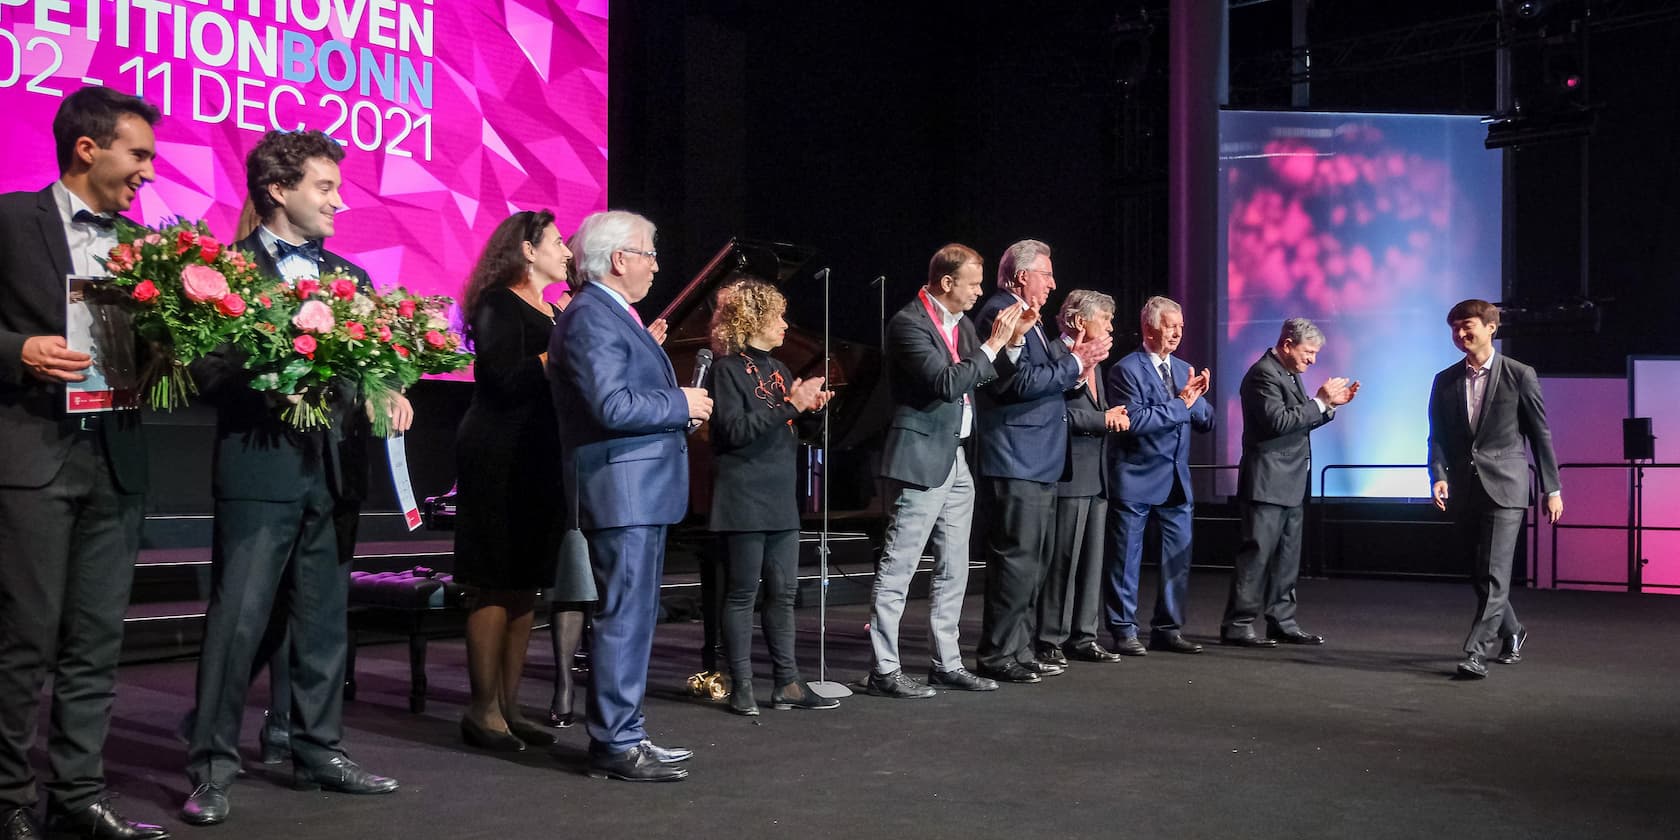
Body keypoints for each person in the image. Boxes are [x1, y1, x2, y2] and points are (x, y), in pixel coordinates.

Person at [181, 130, 409, 825]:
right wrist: (273, 370)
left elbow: (371, 370)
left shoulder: (353, 278)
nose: (339, 201)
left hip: (334, 474)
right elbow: (201, 375)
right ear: (279, 190)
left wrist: (390, 390)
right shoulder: (230, 273)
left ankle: (318, 749)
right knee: (240, 622)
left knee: (322, 622)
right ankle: (211, 768)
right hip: (260, 469)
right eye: (326, 187)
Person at [0, 86, 168, 840]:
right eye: (139, 154)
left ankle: (76, 797)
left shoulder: (149, 245)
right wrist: (18, 351)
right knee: (23, 640)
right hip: (32, 456)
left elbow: (154, 355)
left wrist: (172, 350)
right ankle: (7, 802)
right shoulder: (10, 219)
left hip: (116, 458)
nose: (149, 173)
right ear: (87, 148)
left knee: (97, 641)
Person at [548, 210, 710, 782]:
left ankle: (628, 733)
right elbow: (611, 406)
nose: (655, 264)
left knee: (634, 615)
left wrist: (674, 416)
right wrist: (680, 405)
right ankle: (616, 743)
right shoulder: (593, 316)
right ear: (620, 260)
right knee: (623, 616)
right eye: (648, 253)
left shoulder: (614, 314)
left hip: (638, 488)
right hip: (622, 490)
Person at [866, 244, 1026, 699]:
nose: (980, 292)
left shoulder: (961, 326)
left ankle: (947, 663)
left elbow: (987, 380)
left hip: (957, 458)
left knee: (955, 568)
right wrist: (994, 343)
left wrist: (1011, 345)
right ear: (946, 282)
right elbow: (946, 382)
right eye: (973, 283)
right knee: (900, 566)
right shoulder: (908, 324)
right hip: (920, 457)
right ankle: (884, 667)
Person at [452, 210, 579, 750]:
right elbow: (500, 378)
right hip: (498, 451)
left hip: (539, 454)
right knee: (494, 576)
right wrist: (557, 353)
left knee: (526, 581)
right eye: (556, 242)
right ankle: (482, 711)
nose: (567, 252)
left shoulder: (551, 310)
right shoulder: (498, 302)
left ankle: (510, 705)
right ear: (527, 250)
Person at [972, 240, 1109, 684]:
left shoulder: (1027, 318)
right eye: (1046, 274)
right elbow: (1014, 385)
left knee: (1033, 564)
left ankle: (1021, 648)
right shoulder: (1001, 312)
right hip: (1015, 457)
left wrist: (1076, 359)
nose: (1053, 284)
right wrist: (1074, 361)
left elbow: (1051, 376)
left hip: (1039, 460)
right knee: (1015, 562)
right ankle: (997, 655)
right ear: (1019, 275)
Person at [705, 279, 838, 715]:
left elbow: (787, 430)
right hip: (743, 495)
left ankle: (788, 683)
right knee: (743, 593)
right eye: (777, 316)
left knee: (783, 593)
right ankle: (742, 685)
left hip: (781, 495)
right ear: (752, 320)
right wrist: (793, 406)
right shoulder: (726, 370)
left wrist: (811, 410)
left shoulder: (778, 368)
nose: (784, 324)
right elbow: (735, 432)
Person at [1427, 299, 1562, 679]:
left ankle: (1474, 653)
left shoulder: (1520, 374)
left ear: (1491, 328)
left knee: (1494, 573)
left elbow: (1539, 434)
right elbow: (1436, 437)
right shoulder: (1445, 379)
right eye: (1454, 328)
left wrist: (1553, 487)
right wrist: (1438, 475)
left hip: (1507, 487)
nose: (1460, 334)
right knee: (1479, 574)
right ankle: (1514, 631)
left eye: (1467, 325)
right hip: (1465, 489)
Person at [1219, 318, 1357, 648]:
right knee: (1257, 554)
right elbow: (1278, 422)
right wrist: (1320, 402)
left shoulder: (1288, 373)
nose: (1312, 360)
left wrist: (1328, 408)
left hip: (1291, 482)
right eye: (1308, 352)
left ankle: (1282, 619)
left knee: (1287, 557)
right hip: (1267, 482)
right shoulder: (1263, 374)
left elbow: (1297, 423)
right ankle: (1238, 623)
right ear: (1287, 346)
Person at [1104, 295, 1215, 656]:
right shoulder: (1126, 370)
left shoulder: (1183, 368)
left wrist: (1195, 400)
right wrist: (1181, 403)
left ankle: (1168, 628)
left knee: (1177, 560)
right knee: (1126, 560)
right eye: (1171, 325)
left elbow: (1207, 421)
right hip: (1136, 478)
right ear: (1149, 327)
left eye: (1181, 326)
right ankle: (1123, 629)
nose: (1178, 333)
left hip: (1176, 482)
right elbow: (1135, 422)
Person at [1036, 291, 1129, 667]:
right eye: (1104, 320)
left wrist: (1110, 414)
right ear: (1078, 321)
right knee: (1062, 561)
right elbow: (1054, 415)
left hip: (1097, 475)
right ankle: (1049, 639)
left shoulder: (1098, 362)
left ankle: (1084, 635)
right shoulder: (1055, 356)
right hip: (1069, 474)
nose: (1110, 327)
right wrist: (1101, 419)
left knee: (1091, 561)